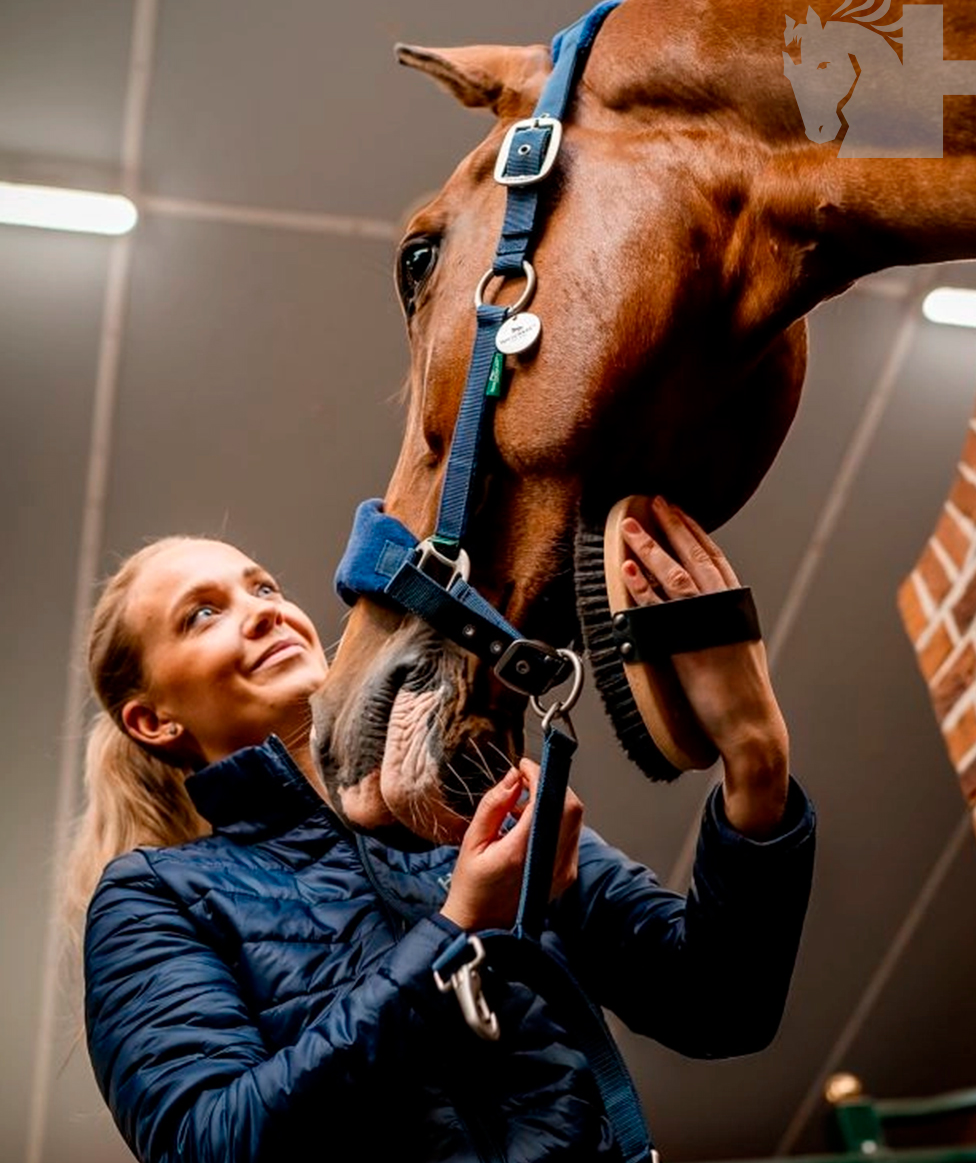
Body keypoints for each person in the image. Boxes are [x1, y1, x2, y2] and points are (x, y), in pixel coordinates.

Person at [71, 498, 816, 1163]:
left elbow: (720, 1006)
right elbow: (209, 1144)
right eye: (203, 614)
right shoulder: (153, 899)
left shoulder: (468, 811)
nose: (264, 610)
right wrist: (461, 931)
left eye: (262, 587)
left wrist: (755, 756)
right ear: (152, 719)